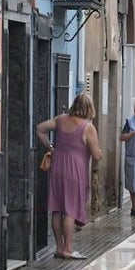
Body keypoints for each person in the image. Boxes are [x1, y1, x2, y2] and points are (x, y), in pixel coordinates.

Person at [36, 93, 104, 259]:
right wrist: (99, 152)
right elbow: (96, 156)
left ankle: (59, 248)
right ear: (90, 108)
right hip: (75, 170)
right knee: (70, 210)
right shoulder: (88, 127)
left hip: (57, 167)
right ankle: (68, 248)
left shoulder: (60, 119)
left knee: (57, 209)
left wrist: (51, 147)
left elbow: (40, 129)